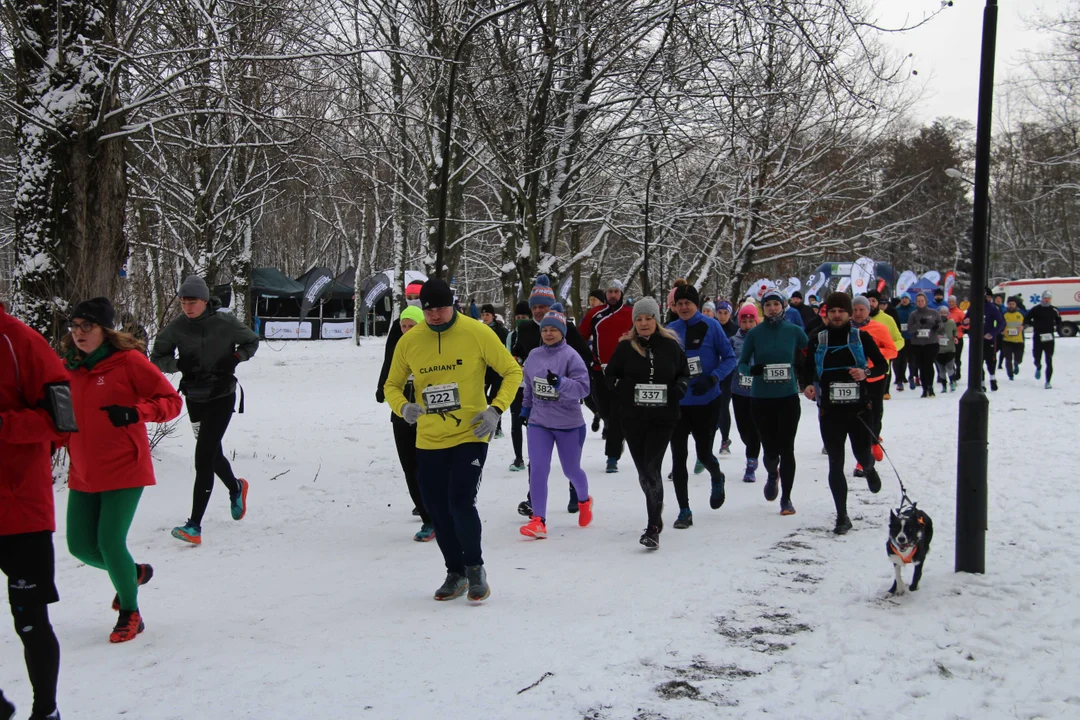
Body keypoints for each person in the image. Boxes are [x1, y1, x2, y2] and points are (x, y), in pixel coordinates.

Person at [384, 278, 523, 602]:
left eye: (441, 308)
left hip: (471, 433)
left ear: (454, 305)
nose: (434, 315)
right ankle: (455, 571)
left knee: (460, 502)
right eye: (429, 309)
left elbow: (512, 372)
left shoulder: (477, 332)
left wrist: (495, 409)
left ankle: (475, 569)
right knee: (436, 507)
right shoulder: (410, 340)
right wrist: (403, 407)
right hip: (430, 438)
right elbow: (391, 384)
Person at [63, 298, 182, 643]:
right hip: (83, 469)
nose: (79, 334)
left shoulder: (128, 362)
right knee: (81, 547)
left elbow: (171, 401)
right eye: (74, 326)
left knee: (109, 541)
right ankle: (131, 574)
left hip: (124, 466)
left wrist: (135, 413)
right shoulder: (67, 368)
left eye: (87, 326)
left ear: (105, 329)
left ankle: (131, 612)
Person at [1, 301, 74, 720]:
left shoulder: (21, 343)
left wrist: (3, 424)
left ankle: (45, 710)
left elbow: (62, 420)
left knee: (29, 621)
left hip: (19, 510)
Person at [151, 275, 259, 545]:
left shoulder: (225, 322)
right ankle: (236, 487)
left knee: (203, 456)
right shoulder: (176, 328)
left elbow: (251, 341)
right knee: (212, 453)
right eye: (184, 302)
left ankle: (194, 526)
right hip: (195, 397)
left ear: (204, 301)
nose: (188, 307)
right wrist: (178, 365)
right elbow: (157, 358)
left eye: (193, 301)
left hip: (222, 395)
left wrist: (236, 358)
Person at [606, 298, 689, 549]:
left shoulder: (671, 346)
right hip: (633, 418)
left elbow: (684, 373)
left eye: (648, 318)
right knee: (644, 471)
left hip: (663, 418)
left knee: (652, 467)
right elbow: (610, 376)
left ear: (657, 320)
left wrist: (679, 389)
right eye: (639, 319)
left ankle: (652, 527)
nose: (643, 323)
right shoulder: (624, 348)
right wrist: (623, 388)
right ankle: (656, 513)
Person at [800, 292, 886, 535]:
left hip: (859, 410)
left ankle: (869, 469)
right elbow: (806, 369)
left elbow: (882, 364)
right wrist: (807, 385)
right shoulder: (818, 339)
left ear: (850, 314)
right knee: (835, 463)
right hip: (830, 410)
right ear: (826, 313)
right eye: (832, 311)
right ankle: (842, 515)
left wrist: (865, 373)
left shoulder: (861, 337)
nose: (836, 315)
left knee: (862, 453)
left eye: (841, 311)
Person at [511, 276, 593, 516]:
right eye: (534, 307)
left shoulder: (569, 336)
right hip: (537, 409)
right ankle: (537, 511)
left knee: (570, 467)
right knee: (538, 466)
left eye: (542, 307)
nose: (538, 311)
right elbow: (517, 355)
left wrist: (563, 380)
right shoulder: (525, 330)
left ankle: (577, 497)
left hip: (566, 411)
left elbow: (585, 366)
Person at [665, 285, 737, 529]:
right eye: (679, 303)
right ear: (674, 306)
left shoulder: (712, 326)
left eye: (688, 303)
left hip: (706, 400)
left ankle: (717, 475)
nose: (684, 307)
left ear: (696, 304)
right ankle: (684, 510)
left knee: (704, 454)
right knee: (678, 458)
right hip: (679, 404)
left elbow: (730, 358)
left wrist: (713, 378)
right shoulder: (670, 330)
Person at [737, 289, 808, 516]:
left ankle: (786, 499)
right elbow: (742, 364)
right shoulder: (755, 334)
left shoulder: (795, 331)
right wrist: (752, 370)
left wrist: (805, 375)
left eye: (776, 304)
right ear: (762, 308)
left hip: (787, 397)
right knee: (769, 450)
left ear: (783, 306)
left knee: (787, 448)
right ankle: (770, 473)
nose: (772, 309)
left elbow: (810, 352)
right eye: (768, 305)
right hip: (761, 398)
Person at [376, 305, 435, 541]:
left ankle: (442, 510)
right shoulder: (398, 347)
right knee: (410, 469)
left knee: (431, 467)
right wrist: (382, 390)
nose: (407, 330)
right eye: (403, 326)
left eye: (412, 326)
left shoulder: (434, 347)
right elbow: (388, 372)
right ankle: (428, 518)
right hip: (401, 414)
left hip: (430, 416)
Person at [579, 278, 634, 473]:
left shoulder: (631, 312)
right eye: (610, 291)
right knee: (605, 411)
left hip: (623, 372)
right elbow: (581, 337)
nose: (612, 295)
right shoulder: (595, 314)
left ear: (621, 294)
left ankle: (612, 457)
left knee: (617, 413)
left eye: (616, 292)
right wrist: (587, 358)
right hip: (599, 370)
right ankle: (615, 435)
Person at [851, 295, 896, 467]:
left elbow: (893, 350)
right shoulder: (847, 329)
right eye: (854, 310)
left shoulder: (880, 328)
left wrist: (874, 355)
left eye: (861, 309)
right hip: (854, 378)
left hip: (875, 376)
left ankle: (874, 442)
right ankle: (863, 457)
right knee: (858, 417)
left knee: (875, 413)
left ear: (868, 310)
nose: (858, 313)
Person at [730, 304, 762, 483]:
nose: (748, 325)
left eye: (751, 321)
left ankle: (751, 462)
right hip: (738, 389)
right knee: (743, 429)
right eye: (744, 321)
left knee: (755, 427)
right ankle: (751, 447)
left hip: (758, 390)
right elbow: (727, 359)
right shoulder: (733, 340)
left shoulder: (762, 339)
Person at [506, 301, 532, 470]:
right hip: (516, 385)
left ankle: (534, 457)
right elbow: (507, 357)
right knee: (515, 423)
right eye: (518, 318)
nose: (521, 320)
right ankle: (518, 458)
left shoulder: (535, 334)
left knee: (532, 424)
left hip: (532, 387)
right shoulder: (511, 336)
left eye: (524, 317)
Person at [964, 288, 1005, 391]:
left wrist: (992, 333)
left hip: (988, 340)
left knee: (990, 361)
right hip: (976, 339)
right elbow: (965, 320)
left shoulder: (992, 308)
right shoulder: (973, 307)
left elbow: (1001, 322)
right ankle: (981, 383)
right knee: (978, 362)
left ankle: (992, 378)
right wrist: (966, 321)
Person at [865, 290, 903, 399]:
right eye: (869, 301)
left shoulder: (887, 319)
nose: (871, 303)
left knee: (877, 401)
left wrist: (883, 351)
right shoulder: (859, 319)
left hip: (881, 367)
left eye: (874, 301)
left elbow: (900, 340)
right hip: (860, 368)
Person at [481, 303, 509, 439]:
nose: (485, 317)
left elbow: (507, 348)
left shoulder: (501, 331)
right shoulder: (478, 330)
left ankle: (497, 427)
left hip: (497, 370)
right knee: (480, 396)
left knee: (495, 398)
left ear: (493, 316)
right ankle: (480, 423)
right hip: (483, 370)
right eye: (483, 315)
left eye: (487, 315)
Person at [906, 292, 942, 398]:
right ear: (916, 302)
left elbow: (941, 324)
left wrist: (936, 326)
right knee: (921, 367)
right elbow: (910, 330)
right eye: (918, 301)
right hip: (917, 344)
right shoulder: (913, 314)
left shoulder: (934, 312)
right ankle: (924, 388)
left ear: (926, 301)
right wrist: (919, 324)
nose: (920, 303)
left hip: (931, 343)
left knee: (929, 365)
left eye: (922, 301)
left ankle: (930, 387)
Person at [1025, 290, 1062, 389]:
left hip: (1049, 337)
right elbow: (1027, 319)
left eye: (1048, 298)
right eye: (1045, 298)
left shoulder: (1054, 310)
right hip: (1038, 336)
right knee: (1037, 357)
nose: (1047, 300)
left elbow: (1059, 321)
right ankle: (1038, 366)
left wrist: (1057, 328)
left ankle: (1048, 381)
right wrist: (1033, 324)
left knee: (1049, 359)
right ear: (1042, 298)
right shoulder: (1036, 309)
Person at [935, 305, 959, 393]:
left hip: (950, 349)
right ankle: (944, 386)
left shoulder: (951, 323)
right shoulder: (935, 323)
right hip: (939, 351)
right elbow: (930, 333)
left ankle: (952, 382)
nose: (943, 315)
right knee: (941, 370)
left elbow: (955, 331)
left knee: (949, 368)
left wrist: (955, 337)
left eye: (945, 313)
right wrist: (935, 336)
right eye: (941, 313)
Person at [893, 294, 915, 390]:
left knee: (912, 360)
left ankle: (911, 377)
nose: (904, 300)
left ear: (909, 300)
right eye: (903, 298)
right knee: (899, 361)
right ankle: (899, 380)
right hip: (900, 339)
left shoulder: (913, 309)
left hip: (911, 338)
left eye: (906, 298)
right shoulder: (897, 310)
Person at [1001, 297, 1026, 381]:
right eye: (1009, 304)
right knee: (1008, 358)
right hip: (1007, 340)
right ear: (1007, 305)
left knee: (1019, 358)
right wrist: (1001, 330)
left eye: (1013, 304)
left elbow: (1027, 322)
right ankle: (1010, 375)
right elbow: (997, 323)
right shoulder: (1003, 314)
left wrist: (1023, 327)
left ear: (1015, 305)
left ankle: (1016, 363)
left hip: (1019, 340)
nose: (1011, 306)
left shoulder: (1021, 313)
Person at [948, 295, 966, 382]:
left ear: (956, 303)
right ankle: (953, 372)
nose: (951, 303)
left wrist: (959, 325)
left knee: (957, 357)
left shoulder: (960, 312)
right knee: (950, 357)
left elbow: (966, 324)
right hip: (948, 339)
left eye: (953, 302)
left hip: (958, 338)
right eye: (950, 302)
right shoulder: (946, 312)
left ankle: (958, 370)